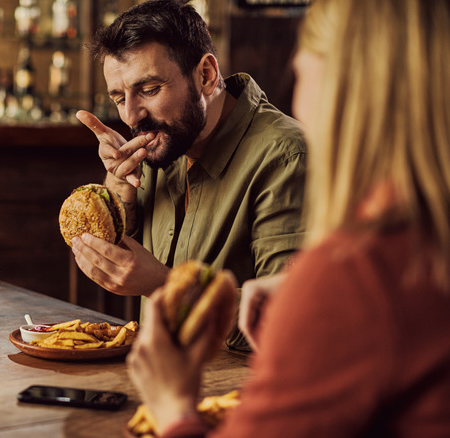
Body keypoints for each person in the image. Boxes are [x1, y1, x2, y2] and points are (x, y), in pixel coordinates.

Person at [127, 0, 450, 436]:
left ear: (344, 94)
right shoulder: (418, 247)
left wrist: (172, 407)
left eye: (300, 72)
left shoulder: (359, 273)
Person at [72, 0, 306, 349]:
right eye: (119, 97)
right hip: (155, 383)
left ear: (206, 75)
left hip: (237, 396)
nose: (132, 117)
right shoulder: (166, 141)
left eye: (149, 90)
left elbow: (289, 321)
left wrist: (164, 285)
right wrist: (119, 186)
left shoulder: (286, 155)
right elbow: (129, 250)